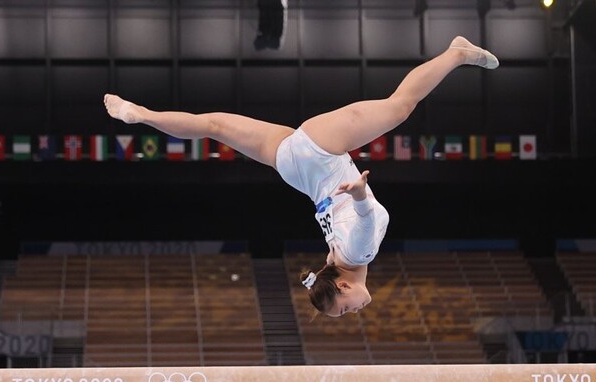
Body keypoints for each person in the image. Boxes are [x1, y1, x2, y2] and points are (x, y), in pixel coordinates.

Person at [104, 36, 499, 317]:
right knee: (213, 125)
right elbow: (349, 230)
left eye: (343, 311)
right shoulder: (334, 258)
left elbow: (363, 220)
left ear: (343, 286)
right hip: (295, 171)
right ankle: (143, 114)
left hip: (321, 156)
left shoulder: (357, 255)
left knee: (400, 107)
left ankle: (456, 52)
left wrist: (360, 194)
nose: (352, 312)